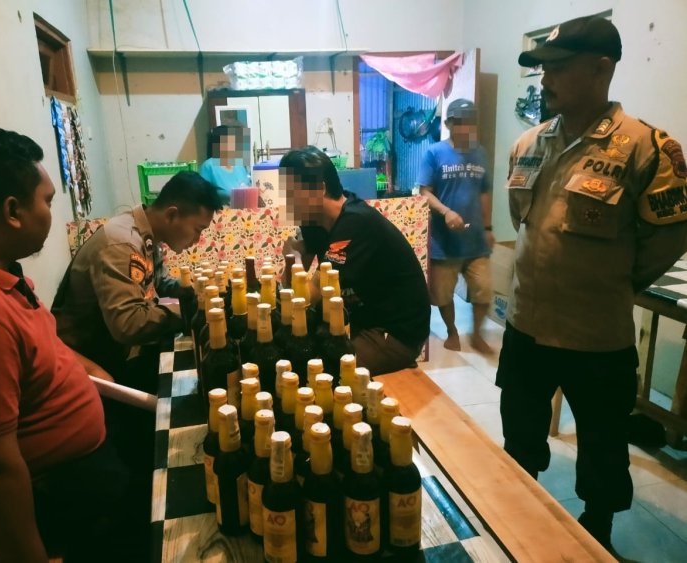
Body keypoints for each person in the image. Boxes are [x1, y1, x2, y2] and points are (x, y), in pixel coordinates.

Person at [499, 15, 687, 551]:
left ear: (602, 69)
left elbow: (669, 237)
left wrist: (610, 282)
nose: (546, 79)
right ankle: (517, 514)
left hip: (596, 337)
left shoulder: (647, 148)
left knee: (603, 444)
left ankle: (598, 530)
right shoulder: (529, 143)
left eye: (558, 68)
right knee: (520, 433)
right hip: (527, 326)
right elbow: (524, 223)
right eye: (543, 69)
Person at [0, 128, 129, 561]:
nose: (50, 213)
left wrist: (86, 372)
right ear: (12, 211)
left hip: (88, 465)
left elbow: (38, 345)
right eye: (47, 200)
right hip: (59, 497)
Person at [52, 170, 223, 392]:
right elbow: (128, 324)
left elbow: (160, 282)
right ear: (172, 215)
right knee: (189, 386)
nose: (197, 240)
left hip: (115, 350)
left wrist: (195, 293)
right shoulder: (122, 244)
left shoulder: (147, 234)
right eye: (197, 230)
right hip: (89, 364)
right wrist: (188, 311)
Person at [280, 146, 431, 375]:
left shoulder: (355, 223)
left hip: (395, 331)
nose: (286, 202)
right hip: (361, 319)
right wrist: (293, 260)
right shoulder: (315, 221)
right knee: (290, 346)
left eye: (291, 193)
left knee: (320, 371)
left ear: (318, 189)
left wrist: (293, 256)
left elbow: (309, 297)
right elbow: (292, 292)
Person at [419, 98, 494, 353]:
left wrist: (488, 228)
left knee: (484, 290)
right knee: (442, 294)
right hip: (444, 241)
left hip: (476, 241)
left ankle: (477, 334)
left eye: (470, 122)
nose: (466, 127)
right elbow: (424, 192)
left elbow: (485, 192)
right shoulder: (434, 153)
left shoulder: (480, 153)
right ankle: (452, 332)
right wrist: (446, 212)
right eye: (460, 122)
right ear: (449, 124)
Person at [199, 125, 252, 204]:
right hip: (221, 211)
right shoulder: (208, 166)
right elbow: (202, 198)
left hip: (246, 209)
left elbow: (249, 188)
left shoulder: (239, 165)